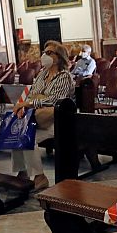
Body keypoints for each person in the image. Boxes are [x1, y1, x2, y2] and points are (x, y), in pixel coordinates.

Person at [11, 40, 74, 191]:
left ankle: (40, 177)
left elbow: (55, 101)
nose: (44, 55)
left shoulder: (64, 76)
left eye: (49, 53)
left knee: (28, 138)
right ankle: (23, 172)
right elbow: (32, 94)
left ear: (59, 57)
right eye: (44, 52)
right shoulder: (42, 74)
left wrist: (31, 103)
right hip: (38, 117)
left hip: (58, 121)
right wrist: (32, 102)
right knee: (18, 134)